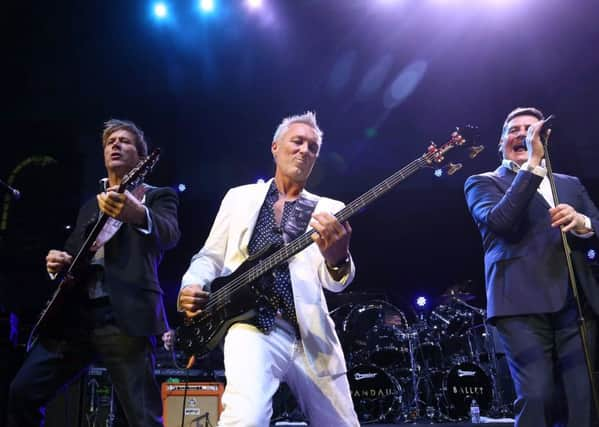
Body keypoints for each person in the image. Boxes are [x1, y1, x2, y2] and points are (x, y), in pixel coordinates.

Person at [178, 111, 359, 426]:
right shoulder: (239, 198)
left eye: (313, 147)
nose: (305, 150)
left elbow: (335, 283)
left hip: (309, 334)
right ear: (275, 147)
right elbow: (210, 256)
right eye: (297, 142)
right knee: (245, 418)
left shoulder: (328, 209)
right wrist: (191, 286)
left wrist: (338, 259)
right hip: (252, 326)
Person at [7, 119, 180, 427]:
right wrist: (57, 261)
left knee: (143, 418)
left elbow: (168, 234)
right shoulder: (90, 206)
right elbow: (73, 254)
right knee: (22, 392)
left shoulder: (156, 196)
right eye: (110, 141)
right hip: (75, 317)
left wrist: (136, 212)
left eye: (125, 141)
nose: (116, 144)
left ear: (142, 159)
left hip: (125, 316)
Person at [464, 107, 599, 426]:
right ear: (501, 142)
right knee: (537, 397)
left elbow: (597, 223)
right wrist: (533, 165)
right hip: (520, 306)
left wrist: (583, 222)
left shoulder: (569, 184)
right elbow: (501, 221)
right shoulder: (482, 182)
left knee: (584, 398)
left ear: (545, 137)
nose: (522, 134)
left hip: (575, 302)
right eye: (514, 129)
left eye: (530, 129)